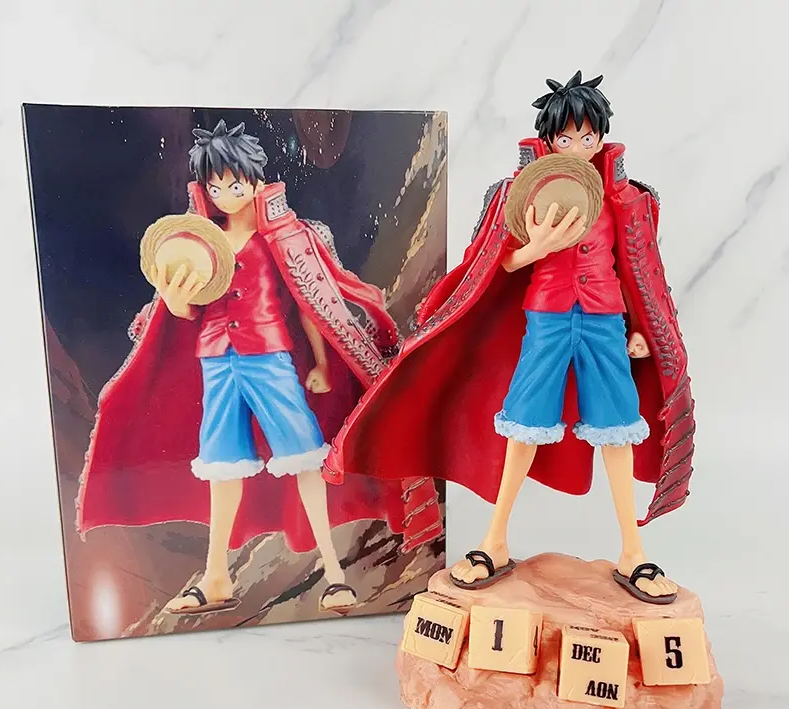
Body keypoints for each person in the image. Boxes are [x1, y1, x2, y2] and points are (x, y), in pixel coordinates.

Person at [325, 72, 695, 605]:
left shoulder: (629, 198)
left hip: (604, 321)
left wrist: (640, 328)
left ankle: (632, 552)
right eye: (566, 138)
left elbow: (638, 270)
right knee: (523, 426)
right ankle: (494, 541)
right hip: (546, 320)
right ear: (548, 140)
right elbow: (491, 266)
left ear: (601, 137)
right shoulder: (515, 194)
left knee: (617, 429)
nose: (579, 148)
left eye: (588, 137)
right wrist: (536, 247)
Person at [78, 120, 443, 615]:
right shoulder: (202, 244)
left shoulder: (286, 238)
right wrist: (175, 300)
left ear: (255, 180)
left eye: (236, 184)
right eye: (215, 187)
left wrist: (321, 363)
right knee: (222, 466)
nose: (226, 195)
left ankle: (334, 574)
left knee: (305, 458)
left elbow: (311, 305)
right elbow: (184, 312)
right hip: (217, 363)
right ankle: (216, 576)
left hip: (270, 360)